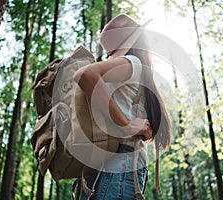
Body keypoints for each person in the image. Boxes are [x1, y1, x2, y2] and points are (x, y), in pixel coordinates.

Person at [73, 13, 171, 200]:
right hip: (119, 163)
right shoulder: (134, 63)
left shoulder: (129, 66)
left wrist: (125, 123)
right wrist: (126, 123)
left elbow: (85, 75)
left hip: (108, 162)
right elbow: (84, 75)